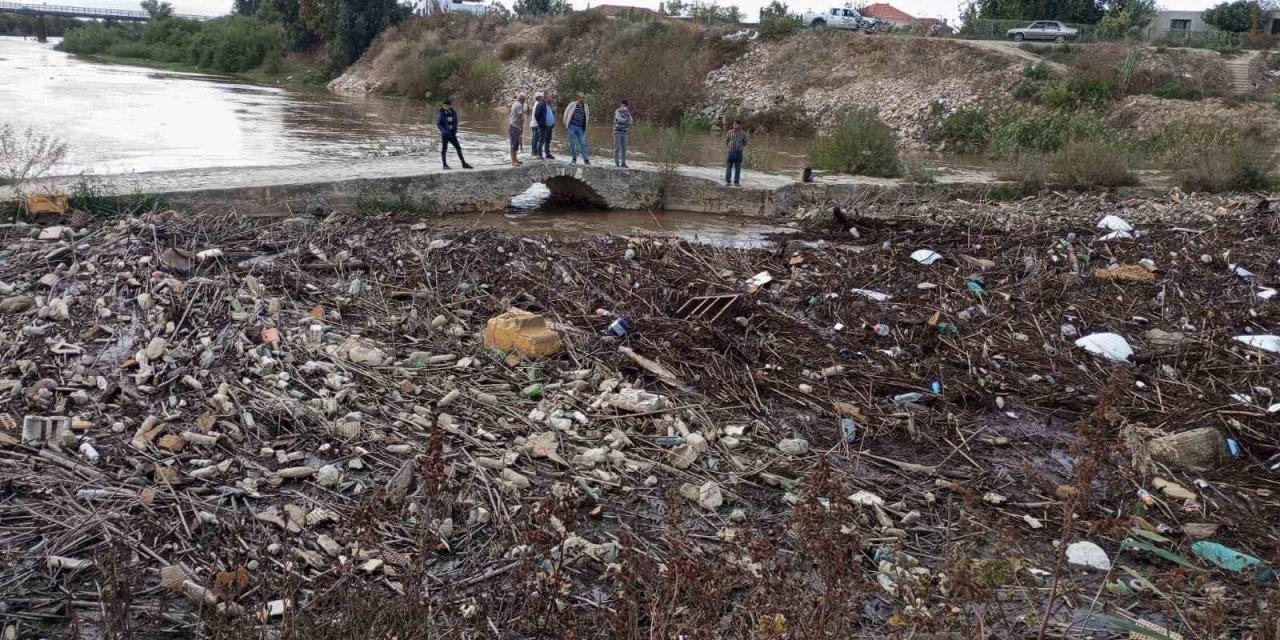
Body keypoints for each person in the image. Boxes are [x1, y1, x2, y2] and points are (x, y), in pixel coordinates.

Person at [435, 98, 472, 170]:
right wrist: (443, 131)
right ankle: (444, 165)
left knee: (458, 148)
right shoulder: (441, 113)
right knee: (444, 149)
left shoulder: (453, 112)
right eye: (444, 106)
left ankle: (464, 164)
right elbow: (438, 124)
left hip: (452, 134)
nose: (445, 107)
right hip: (445, 135)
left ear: (450, 106)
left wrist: (455, 130)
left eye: (447, 106)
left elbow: (456, 122)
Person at [564, 92, 590, 165]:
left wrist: (585, 126)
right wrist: (566, 124)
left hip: (580, 128)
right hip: (571, 127)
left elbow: (587, 116)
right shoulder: (572, 105)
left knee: (583, 143)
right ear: (578, 98)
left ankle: (586, 159)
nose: (584, 99)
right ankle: (574, 158)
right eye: (582, 97)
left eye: (584, 97)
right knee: (572, 143)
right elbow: (566, 114)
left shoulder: (585, 106)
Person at [725, 119, 748, 186]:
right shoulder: (729, 132)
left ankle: (736, 180)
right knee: (729, 166)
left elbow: (745, 143)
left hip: (739, 152)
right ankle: (728, 180)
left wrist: (739, 146)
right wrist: (730, 147)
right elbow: (727, 141)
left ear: (739, 125)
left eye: (736, 124)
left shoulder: (743, 133)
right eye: (734, 124)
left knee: (738, 167)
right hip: (731, 152)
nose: (734, 126)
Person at [612, 99, 633, 168]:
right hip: (617, 132)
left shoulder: (628, 112)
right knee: (617, 148)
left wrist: (628, 121)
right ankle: (617, 163)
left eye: (625, 105)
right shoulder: (617, 111)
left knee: (624, 148)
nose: (623, 106)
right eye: (623, 105)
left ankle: (623, 163)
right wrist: (627, 121)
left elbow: (631, 121)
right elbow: (620, 119)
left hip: (625, 133)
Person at [508, 93, 527, 166]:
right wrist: (521, 128)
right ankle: (513, 161)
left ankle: (515, 159)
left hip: (512, 126)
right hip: (515, 127)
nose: (524, 100)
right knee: (514, 144)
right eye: (523, 98)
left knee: (515, 143)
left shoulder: (515, 103)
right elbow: (520, 118)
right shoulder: (519, 105)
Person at [531, 92, 547, 159]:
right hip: (535, 124)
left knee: (535, 138)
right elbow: (536, 115)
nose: (542, 98)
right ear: (538, 98)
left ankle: (534, 151)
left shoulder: (537, 104)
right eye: (541, 97)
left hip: (534, 123)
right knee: (536, 138)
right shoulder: (538, 104)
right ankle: (535, 152)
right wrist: (540, 122)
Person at [542, 93, 557, 160]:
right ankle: (539, 154)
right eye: (549, 97)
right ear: (545, 98)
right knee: (542, 140)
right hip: (544, 126)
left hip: (550, 126)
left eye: (551, 97)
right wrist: (541, 124)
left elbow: (553, 114)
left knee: (548, 140)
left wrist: (554, 122)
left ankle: (547, 153)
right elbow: (537, 115)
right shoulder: (542, 105)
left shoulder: (550, 105)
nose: (550, 99)